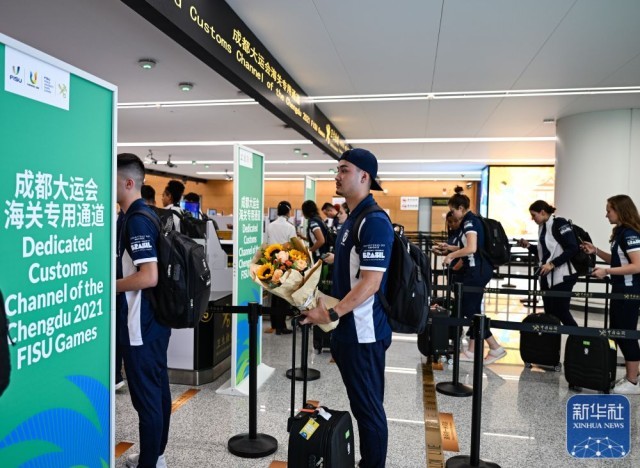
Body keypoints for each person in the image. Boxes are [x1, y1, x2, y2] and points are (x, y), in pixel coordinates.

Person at [303, 148, 394, 468]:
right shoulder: (352, 218)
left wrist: (330, 314)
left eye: (344, 170)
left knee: (369, 410)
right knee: (362, 405)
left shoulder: (374, 221)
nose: (337, 176)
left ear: (364, 176)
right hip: (348, 330)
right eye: (337, 169)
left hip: (363, 333)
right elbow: (355, 270)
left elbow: (370, 283)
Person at [116, 153, 171, 468]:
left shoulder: (136, 219)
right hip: (155, 321)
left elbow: (149, 276)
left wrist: (108, 286)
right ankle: (156, 456)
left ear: (128, 182)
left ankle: (150, 462)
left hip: (140, 324)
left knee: (147, 400)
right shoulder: (147, 214)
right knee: (158, 391)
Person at [441, 187, 507, 364]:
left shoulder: (469, 222)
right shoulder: (473, 220)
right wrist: (450, 248)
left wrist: (451, 256)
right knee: (474, 310)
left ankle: (495, 347)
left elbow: (471, 248)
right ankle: (472, 350)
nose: (452, 214)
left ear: (461, 208)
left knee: (470, 311)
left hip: (476, 271)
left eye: (453, 210)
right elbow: (471, 246)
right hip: (478, 269)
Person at [582, 194, 640, 395]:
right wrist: (596, 251)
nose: (606, 215)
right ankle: (633, 375)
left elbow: (637, 266)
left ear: (620, 210)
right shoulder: (620, 233)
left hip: (629, 292)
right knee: (618, 331)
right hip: (619, 291)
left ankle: (633, 381)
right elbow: (617, 260)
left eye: (609, 210)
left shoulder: (630, 234)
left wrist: (606, 271)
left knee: (626, 334)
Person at [516, 201, 579, 326]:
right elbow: (544, 253)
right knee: (550, 313)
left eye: (534, 215)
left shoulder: (559, 223)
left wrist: (552, 264)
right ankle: (552, 338)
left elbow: (572, 248)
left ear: (543, 212)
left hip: (562, 276)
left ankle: (577, 336)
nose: (532, 218)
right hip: (546, 275)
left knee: (561, 311)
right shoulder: (542, 227)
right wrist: (528, 246)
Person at [265, 200, 297, 335]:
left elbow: (266, 244)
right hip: (285, 263)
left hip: (272, 262)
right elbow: (294, 246)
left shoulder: (270, 226)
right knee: (283, 296)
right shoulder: (290, 227)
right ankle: (281, 326)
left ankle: (274, 325)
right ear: (288, 212)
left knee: (274, 294)